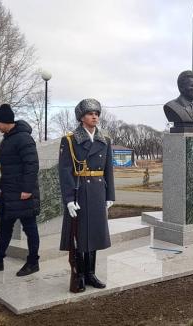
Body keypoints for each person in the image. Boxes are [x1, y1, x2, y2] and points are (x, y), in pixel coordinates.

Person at [0, 104, 41, 276]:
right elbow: (8, 168)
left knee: (30, 228)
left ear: (5, 122)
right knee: (4, 227)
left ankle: (33, 262)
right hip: (9, 192)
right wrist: (1, 188)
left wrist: (27, 189)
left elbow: (32, 165)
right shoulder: (9, 138)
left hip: (22, 193)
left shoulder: (24, 138)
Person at [58, 98, 115, 293]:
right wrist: (68, 200)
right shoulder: (70, 140)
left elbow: (108, 169)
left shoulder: (104, 140)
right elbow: (65, 171)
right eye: (91, 114)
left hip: (98, 191)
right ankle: (80, 274)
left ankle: (91, 273)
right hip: (79, 190)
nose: (95, 117)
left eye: (97, 114)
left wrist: (110, 195)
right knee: (80, 235)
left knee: (95, 234)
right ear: (82, 117)